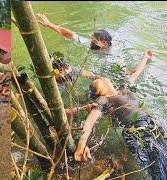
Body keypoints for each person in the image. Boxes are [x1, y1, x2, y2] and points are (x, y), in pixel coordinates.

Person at [74, 51, 167, 179]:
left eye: (100, 78)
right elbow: (90, 122)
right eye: (97, 81)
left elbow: (135, 74)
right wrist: (81, 144)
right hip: (135, 130)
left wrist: (145, 57)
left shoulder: (123, 89)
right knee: (156, 169)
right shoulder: (104, 100)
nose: (101, 78)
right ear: (98, 92)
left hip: (153, 124)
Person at [37, 13, 112, 50]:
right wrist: (49, 24)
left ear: (105, 43)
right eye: (91, 39)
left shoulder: (114, 53)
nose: (91, 43)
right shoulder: (89, 44)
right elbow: (70, 34)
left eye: (95, 41)